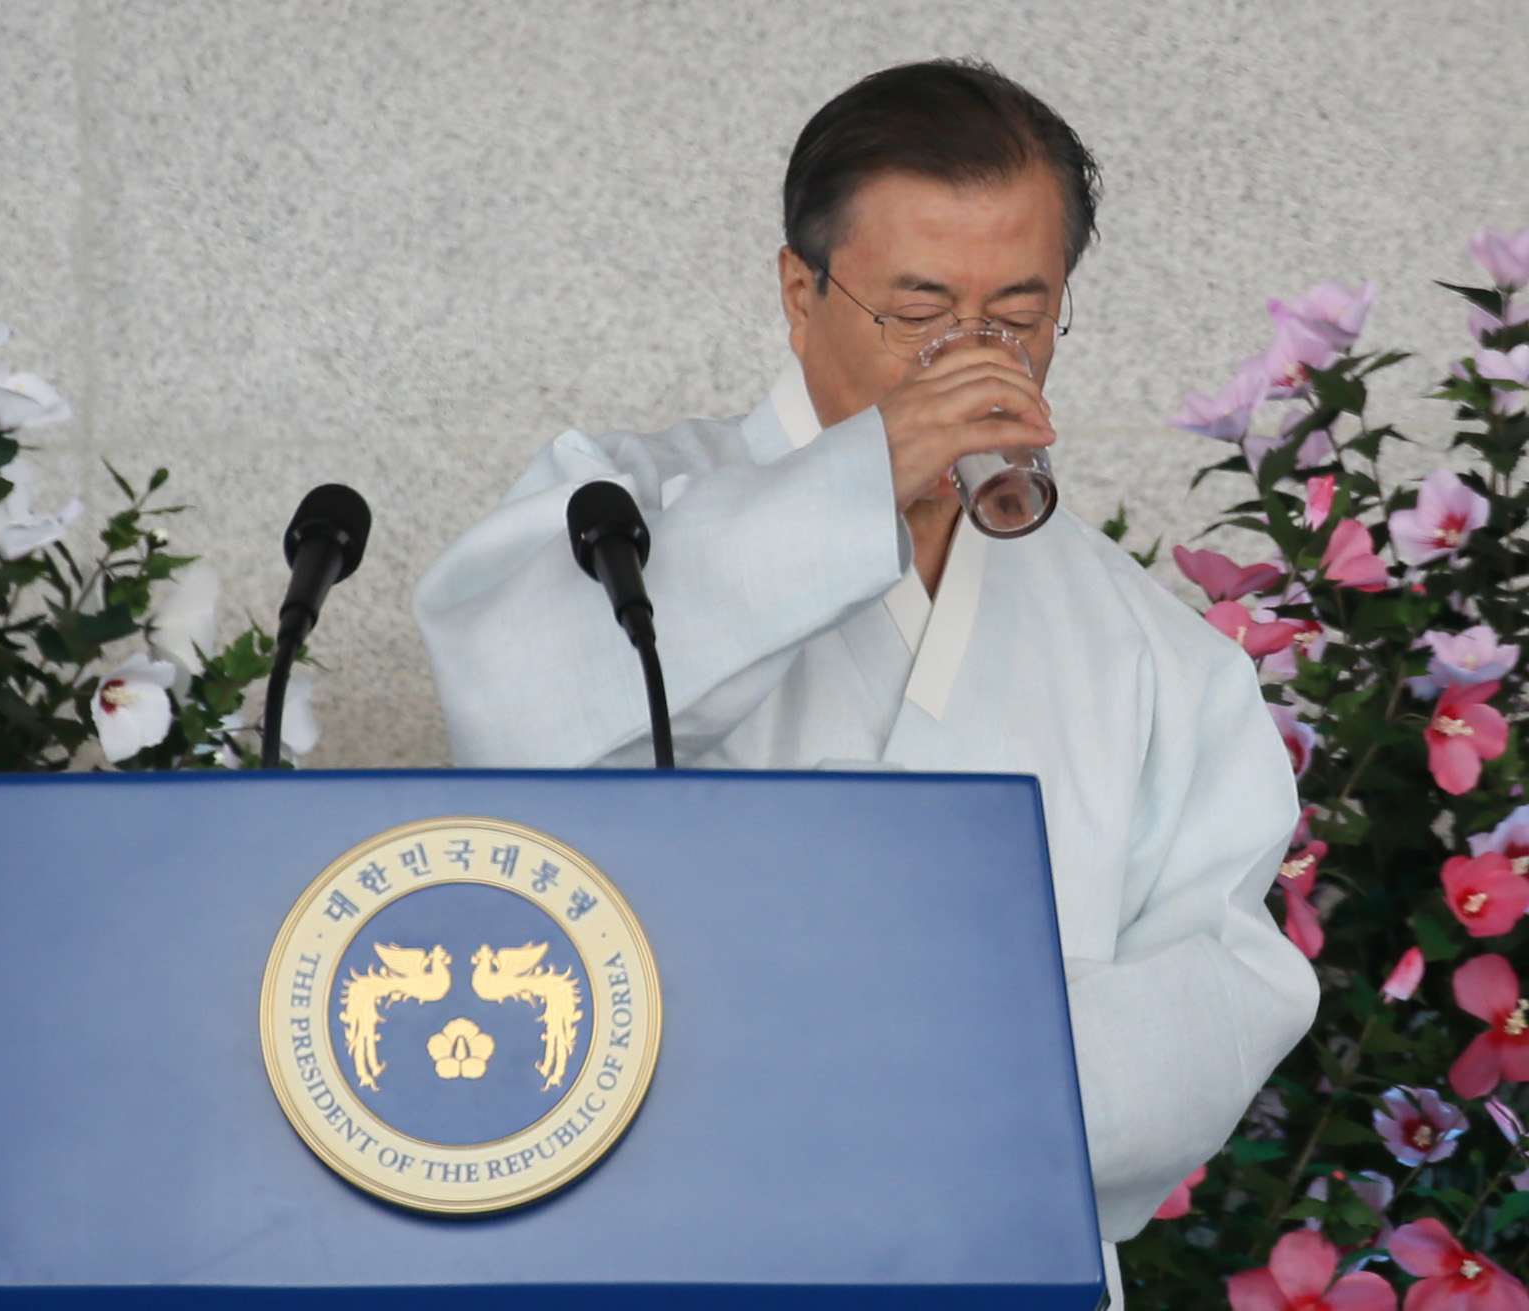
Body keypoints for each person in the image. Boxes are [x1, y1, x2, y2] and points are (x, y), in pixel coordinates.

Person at [412, 60, 1318, 1306]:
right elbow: (512, 711)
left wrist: (924, 1082)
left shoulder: (1143, 644)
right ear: (799, 292)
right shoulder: (621, 507)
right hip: (657, 1237)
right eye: (918, 308)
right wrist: (855, 484)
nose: (969, 352)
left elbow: (1221, 983)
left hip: (991, 1246)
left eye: (1016, 313)